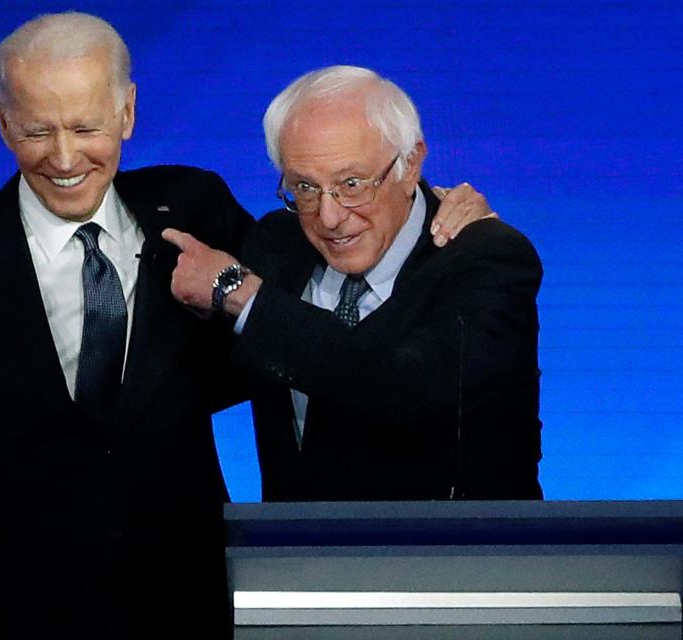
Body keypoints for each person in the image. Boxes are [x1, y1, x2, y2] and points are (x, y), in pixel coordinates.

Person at [0, 12, 492, 637]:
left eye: (86, 127)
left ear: (127, 113)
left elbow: (331, 259)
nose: (63, 157)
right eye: (38, 131)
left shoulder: (195, 208)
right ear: (4, 123)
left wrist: (434, 205)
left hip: (188, 611)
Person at [165, 65, 543, 503]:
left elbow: (404, 390)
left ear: (410, 162)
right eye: (304, 187)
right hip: (296, 562)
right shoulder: (274, 246)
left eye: (352, 184)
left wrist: (242, 293)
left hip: (453, 561)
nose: (330, 217)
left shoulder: (486, 260)